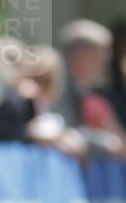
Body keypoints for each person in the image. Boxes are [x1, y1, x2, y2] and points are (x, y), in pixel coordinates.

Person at [54, 19, 126, 159]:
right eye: (101, 58)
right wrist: (108, 143)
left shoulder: (81, 89)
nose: (104, 65)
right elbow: (60, 131)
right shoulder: (54, 83)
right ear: (82, 56)